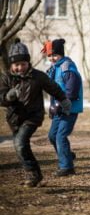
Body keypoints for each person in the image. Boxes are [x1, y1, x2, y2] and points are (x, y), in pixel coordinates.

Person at [0, 38, 70, 187]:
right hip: (15, 118)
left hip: (33, 116)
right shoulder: (6, 78)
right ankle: (35, 174)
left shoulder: (37, 76)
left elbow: (53, 87)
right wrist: (8, 96)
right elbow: (1, 98)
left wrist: (64, 100)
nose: (20, 67)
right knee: (21, 147)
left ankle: (32, 174)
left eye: (23, 64)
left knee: (20, 143)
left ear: (28, 63)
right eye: (17, 64)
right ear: (12, 65)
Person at [43, 38, 83, 177]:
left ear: (61, 54)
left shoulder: (67, 68)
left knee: (60, 136)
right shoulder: (55, 68)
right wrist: (53, 106)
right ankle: (67, 155)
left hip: (69, 109)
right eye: (49, 56)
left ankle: (66, 167)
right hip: (58, 108)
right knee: (52, 135)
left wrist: (60, 105)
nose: (52, 58)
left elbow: (71, 91)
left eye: (55, 55)